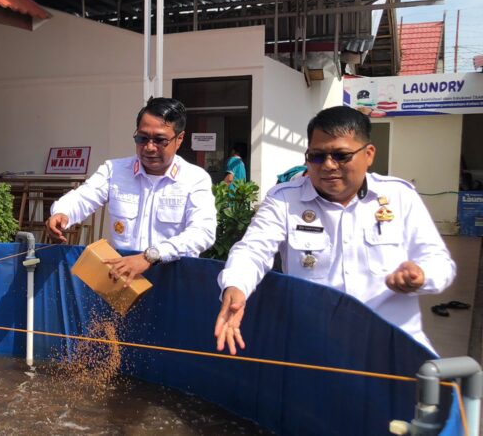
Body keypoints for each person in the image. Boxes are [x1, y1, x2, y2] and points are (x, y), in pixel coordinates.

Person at [214, 106, 456, 354]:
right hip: (315, 347)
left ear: (368, 154)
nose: (328, 165)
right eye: (317, 156)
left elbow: (439, 262)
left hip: (394, 347)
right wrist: (236, 285)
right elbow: (252, 249)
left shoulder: (399, 196)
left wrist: (420, 275)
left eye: (341, 155)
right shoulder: (284, 200)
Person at [46, 97, 217, 285]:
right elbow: (83, 197)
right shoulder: (114, 171)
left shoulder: (195, 179)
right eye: (142, 138)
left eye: (160, 140)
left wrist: (150, 257)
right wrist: (62, 213)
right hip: (120, 284)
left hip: (173, 284)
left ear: (179, 139)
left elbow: (202, 232)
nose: (149, 147)